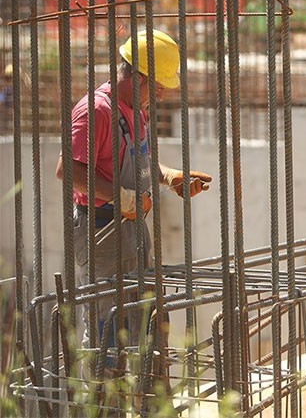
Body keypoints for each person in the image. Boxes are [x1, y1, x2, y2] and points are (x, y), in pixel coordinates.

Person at [55, 29, 213, 351]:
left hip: (131, 228)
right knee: (108, 332)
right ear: (138, 77)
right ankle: (101, 400)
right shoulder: (96, 111)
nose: (161, 96)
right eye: (156, 87)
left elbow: (141, 162)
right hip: (100, 229)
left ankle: (138, 398)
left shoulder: (134, 111)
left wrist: (170, 176)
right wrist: (121, 197)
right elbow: (67, 170)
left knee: (141, 325)